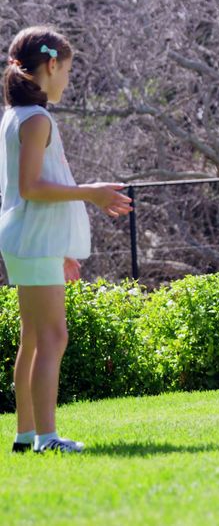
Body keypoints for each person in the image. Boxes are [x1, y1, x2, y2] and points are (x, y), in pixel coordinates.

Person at [2, 26, 132, 453]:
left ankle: (25, 436)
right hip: (33, 239)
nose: (68, 80)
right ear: (51, 65)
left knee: (34, 339)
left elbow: (33, 190)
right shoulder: (36, 119)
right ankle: (46, 438)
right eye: (68, 70)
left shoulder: (17, 115)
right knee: (54, 337)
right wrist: (91, 194)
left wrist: (59, 249)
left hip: (30, 240)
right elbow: (32, 187)